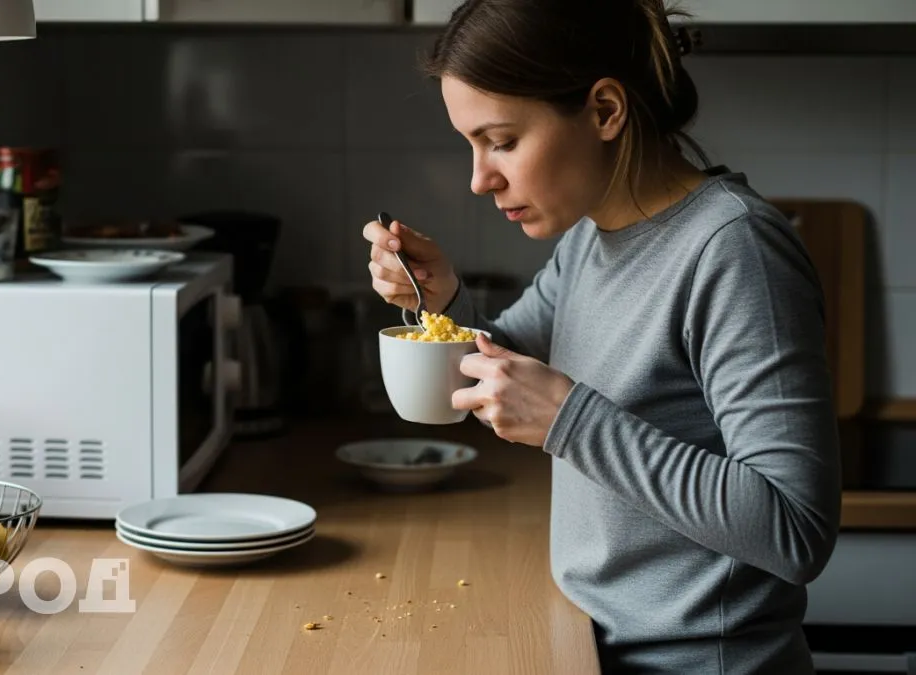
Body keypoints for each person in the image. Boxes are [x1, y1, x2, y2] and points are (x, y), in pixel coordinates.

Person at [361, 1, 842, 673]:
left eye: (501, 140)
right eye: (470, 144)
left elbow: (796, 529)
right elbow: (498, 365)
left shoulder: (736, 252)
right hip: (593, 642)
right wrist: (441, 298)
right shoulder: (592, 238)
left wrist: (570, 419)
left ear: (606, 111)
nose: (479, 179)